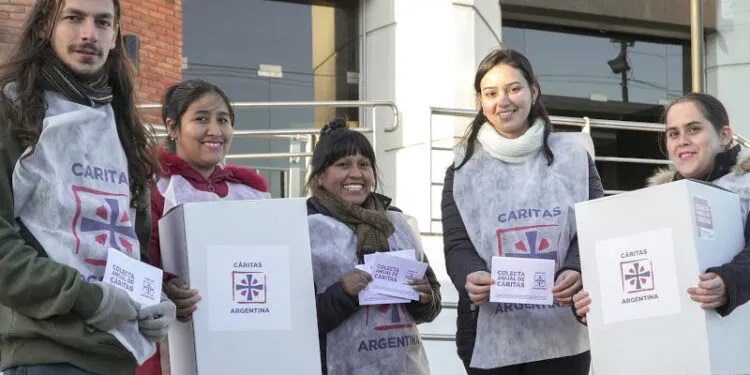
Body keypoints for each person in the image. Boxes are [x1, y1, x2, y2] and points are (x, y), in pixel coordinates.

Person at [0, 0, 177, 374]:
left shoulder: (124, 128)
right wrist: (85, 297)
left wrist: (153, 296)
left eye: (102, 23)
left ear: (115, 36)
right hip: (47, 355)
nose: (88, 34)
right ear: (46, 24)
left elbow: (129, 242)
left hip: (119, 355)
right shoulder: (11, 113)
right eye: (74, 18)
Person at [441, 48, 603, 374]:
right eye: (491, 93)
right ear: (481, 101)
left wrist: (577, 267)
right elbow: (457, 243)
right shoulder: (462, 169)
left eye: (514, 88)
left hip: (563, 329)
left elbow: (596, 224)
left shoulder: (573, 157)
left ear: (534, 89)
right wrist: (469, 275)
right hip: (488, 330)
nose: (503, 101)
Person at [573, 92, 750, 322]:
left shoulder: (746, 186)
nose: (682, 141)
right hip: (676, 346)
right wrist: (591, 301)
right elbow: (632, 266)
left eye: (694, 129)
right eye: (673, 133)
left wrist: (729, 282)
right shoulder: (655, 201)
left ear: (724, 134)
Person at [136, 79, 271, 375]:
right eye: (201, 119)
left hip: (244, 345)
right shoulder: (152, 188)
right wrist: (166, 286)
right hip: (168, 349)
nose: (215, 130)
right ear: (173, 128)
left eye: (223, 120)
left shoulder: (253, 193)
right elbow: (137, 263)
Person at [307, 119, 442, 375]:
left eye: (364, 165)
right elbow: (296, 320)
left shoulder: (397, 223)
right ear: (320, 175)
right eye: (343, 164)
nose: (356, 173)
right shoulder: (304, 227)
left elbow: (430, 306)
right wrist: (344, 292)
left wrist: (425, 298)